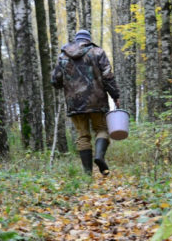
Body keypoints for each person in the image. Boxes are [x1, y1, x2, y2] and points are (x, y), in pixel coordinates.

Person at [51, 30, 120, 176]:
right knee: (101, 129)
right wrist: (115, 95)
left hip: (74, 102)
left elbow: (55, 80)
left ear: (76, 40)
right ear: (89, 40)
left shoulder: (63, 56)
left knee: (82, 136)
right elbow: (108, 76)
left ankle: (88, 174)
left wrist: (65, 84)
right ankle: (99, 156)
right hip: (97, 100)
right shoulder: (97, 52)